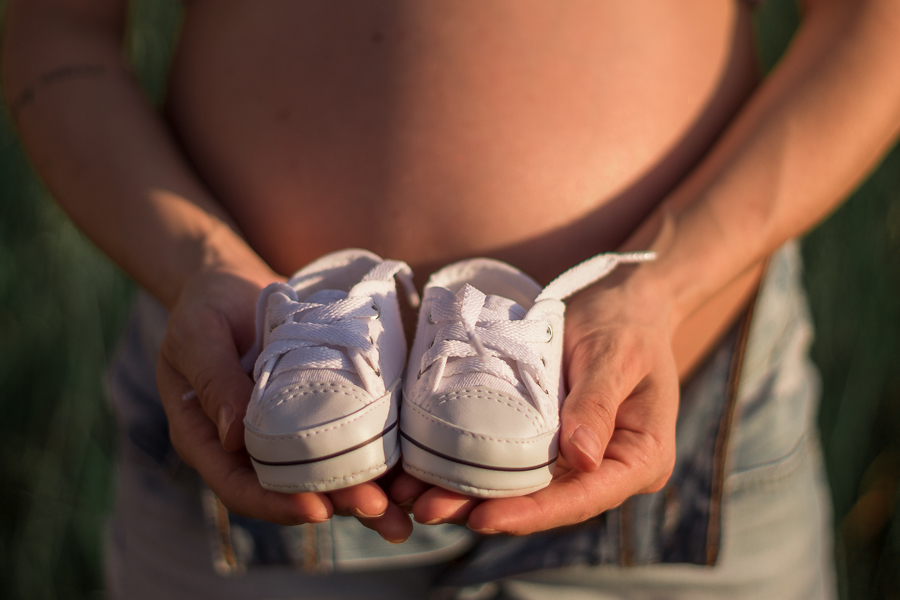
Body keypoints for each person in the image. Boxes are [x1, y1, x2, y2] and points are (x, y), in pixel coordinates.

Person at [4, 0, 900, 598]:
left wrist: (665, 285)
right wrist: (200, 265)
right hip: (254, 405)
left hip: (680, 431)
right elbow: (57, 29)